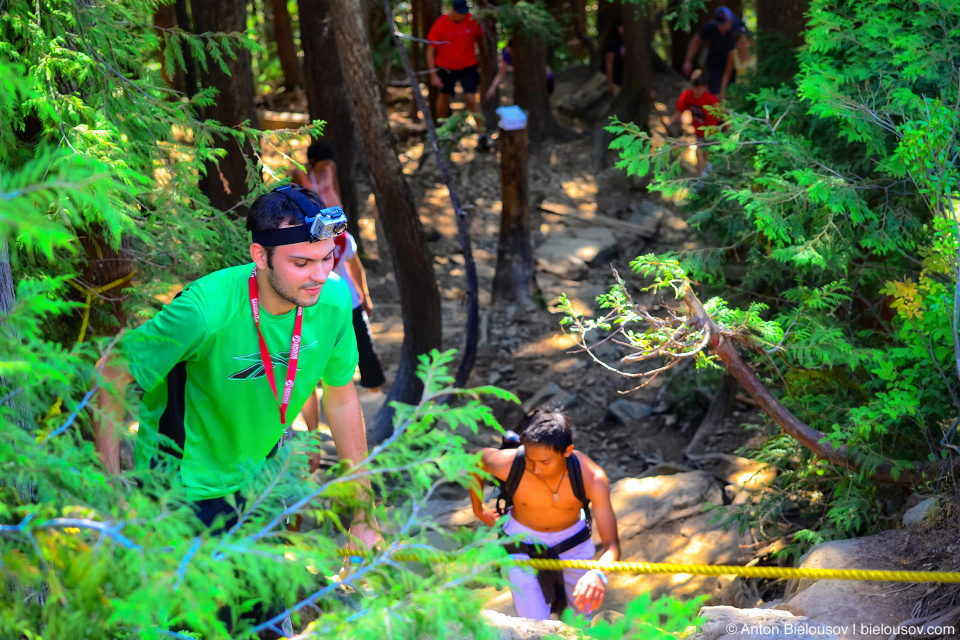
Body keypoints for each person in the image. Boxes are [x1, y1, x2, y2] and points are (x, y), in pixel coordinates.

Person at [94, 185, 379, 552]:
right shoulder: (204, 312)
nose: (320, 276)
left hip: (260, 480)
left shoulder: (335, 300)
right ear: (260, 256)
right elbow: (110, 373)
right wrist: (111, 496)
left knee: (268, 604)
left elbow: (341, 399)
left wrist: (363, 515)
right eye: (301, 263)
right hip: (182, 488)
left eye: (327, 258)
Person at [470, 409, 620, 621]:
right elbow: (476, 459)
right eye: (530, 460)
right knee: (533, 626)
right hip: (522, 544)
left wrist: (598, 575)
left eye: (545, 462)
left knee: (579, 626)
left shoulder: (591, 478)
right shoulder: (512, 464)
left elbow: (612, 546)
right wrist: (479, 509)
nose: (536, 470)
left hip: (573, 545)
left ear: (567, 451)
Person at [300, 229, 385, 466]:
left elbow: (355, 266)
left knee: (364, 350)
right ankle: (313, 435)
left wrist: (364, 294)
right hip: (313, 309)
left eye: (326, 258)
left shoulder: (344, 239)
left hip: (347, 304)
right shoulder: (300, 242)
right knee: (310, 370)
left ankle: (375, 394)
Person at [426, 0, 486, 143]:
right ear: (452, 10)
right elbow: (430, 50)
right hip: (445, 67)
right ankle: (442, 127)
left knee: (471, 98)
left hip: (468, 65)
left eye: (464, 12)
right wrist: (433, 74)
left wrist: (481, 60)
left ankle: (482, 134)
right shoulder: (440, 23)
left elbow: (479, 39)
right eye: (460, 13)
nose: (462, 16)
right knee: (444, 95)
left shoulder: (471, 20)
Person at [664, 69, 720, 177]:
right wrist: (670, 122)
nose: (697, 91)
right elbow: (680, 110)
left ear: (705, 87)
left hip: (712, 132)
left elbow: (721, 113)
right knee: (699, 153)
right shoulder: (688, 96)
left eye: (700, 88)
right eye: (695, 87)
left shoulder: (710, 100)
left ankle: (707, 177)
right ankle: (702, 178)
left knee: (707, 155)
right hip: (699, 132)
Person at [682, 6, 743, 95]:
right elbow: (696, 39)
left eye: (723, 24)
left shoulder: (739, 27)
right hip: (715, 65)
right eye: (719, 24)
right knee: (716, 93)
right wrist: (688, 60)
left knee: (732, 93)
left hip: (734, 67)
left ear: (730, 21)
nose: (720, 27)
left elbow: (749, 43)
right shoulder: (710, 26)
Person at [484, 40, 555, 103]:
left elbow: (542, 69)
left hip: (546, 79)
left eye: (512, 51)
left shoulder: (528, 53)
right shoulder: (507, 54)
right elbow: (501, 74)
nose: (510, 52)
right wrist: (492, 87)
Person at [290, 140, 342, 210]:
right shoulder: (300, 174)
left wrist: (340, 204)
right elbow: (294, 195)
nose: (325, 166)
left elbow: (335, 186)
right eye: (323, 164)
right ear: (313, 161)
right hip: (313, 211)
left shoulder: (331, 166)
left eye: (327, 163)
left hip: (333, 208)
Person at [719, 29, 756, 101]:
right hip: (739, 91)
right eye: (737, 43)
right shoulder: (733, 54)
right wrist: (722, 91)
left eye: (742, 43)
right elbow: (727, 74)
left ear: (751, 42)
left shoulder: (757, 53)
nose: (739, 46)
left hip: (755, 89)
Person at [602, 20, 625, 96]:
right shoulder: (612, 43)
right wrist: (610, 84)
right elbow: (609, 64)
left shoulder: (623, 43)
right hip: (613, 82)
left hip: (621, 81)